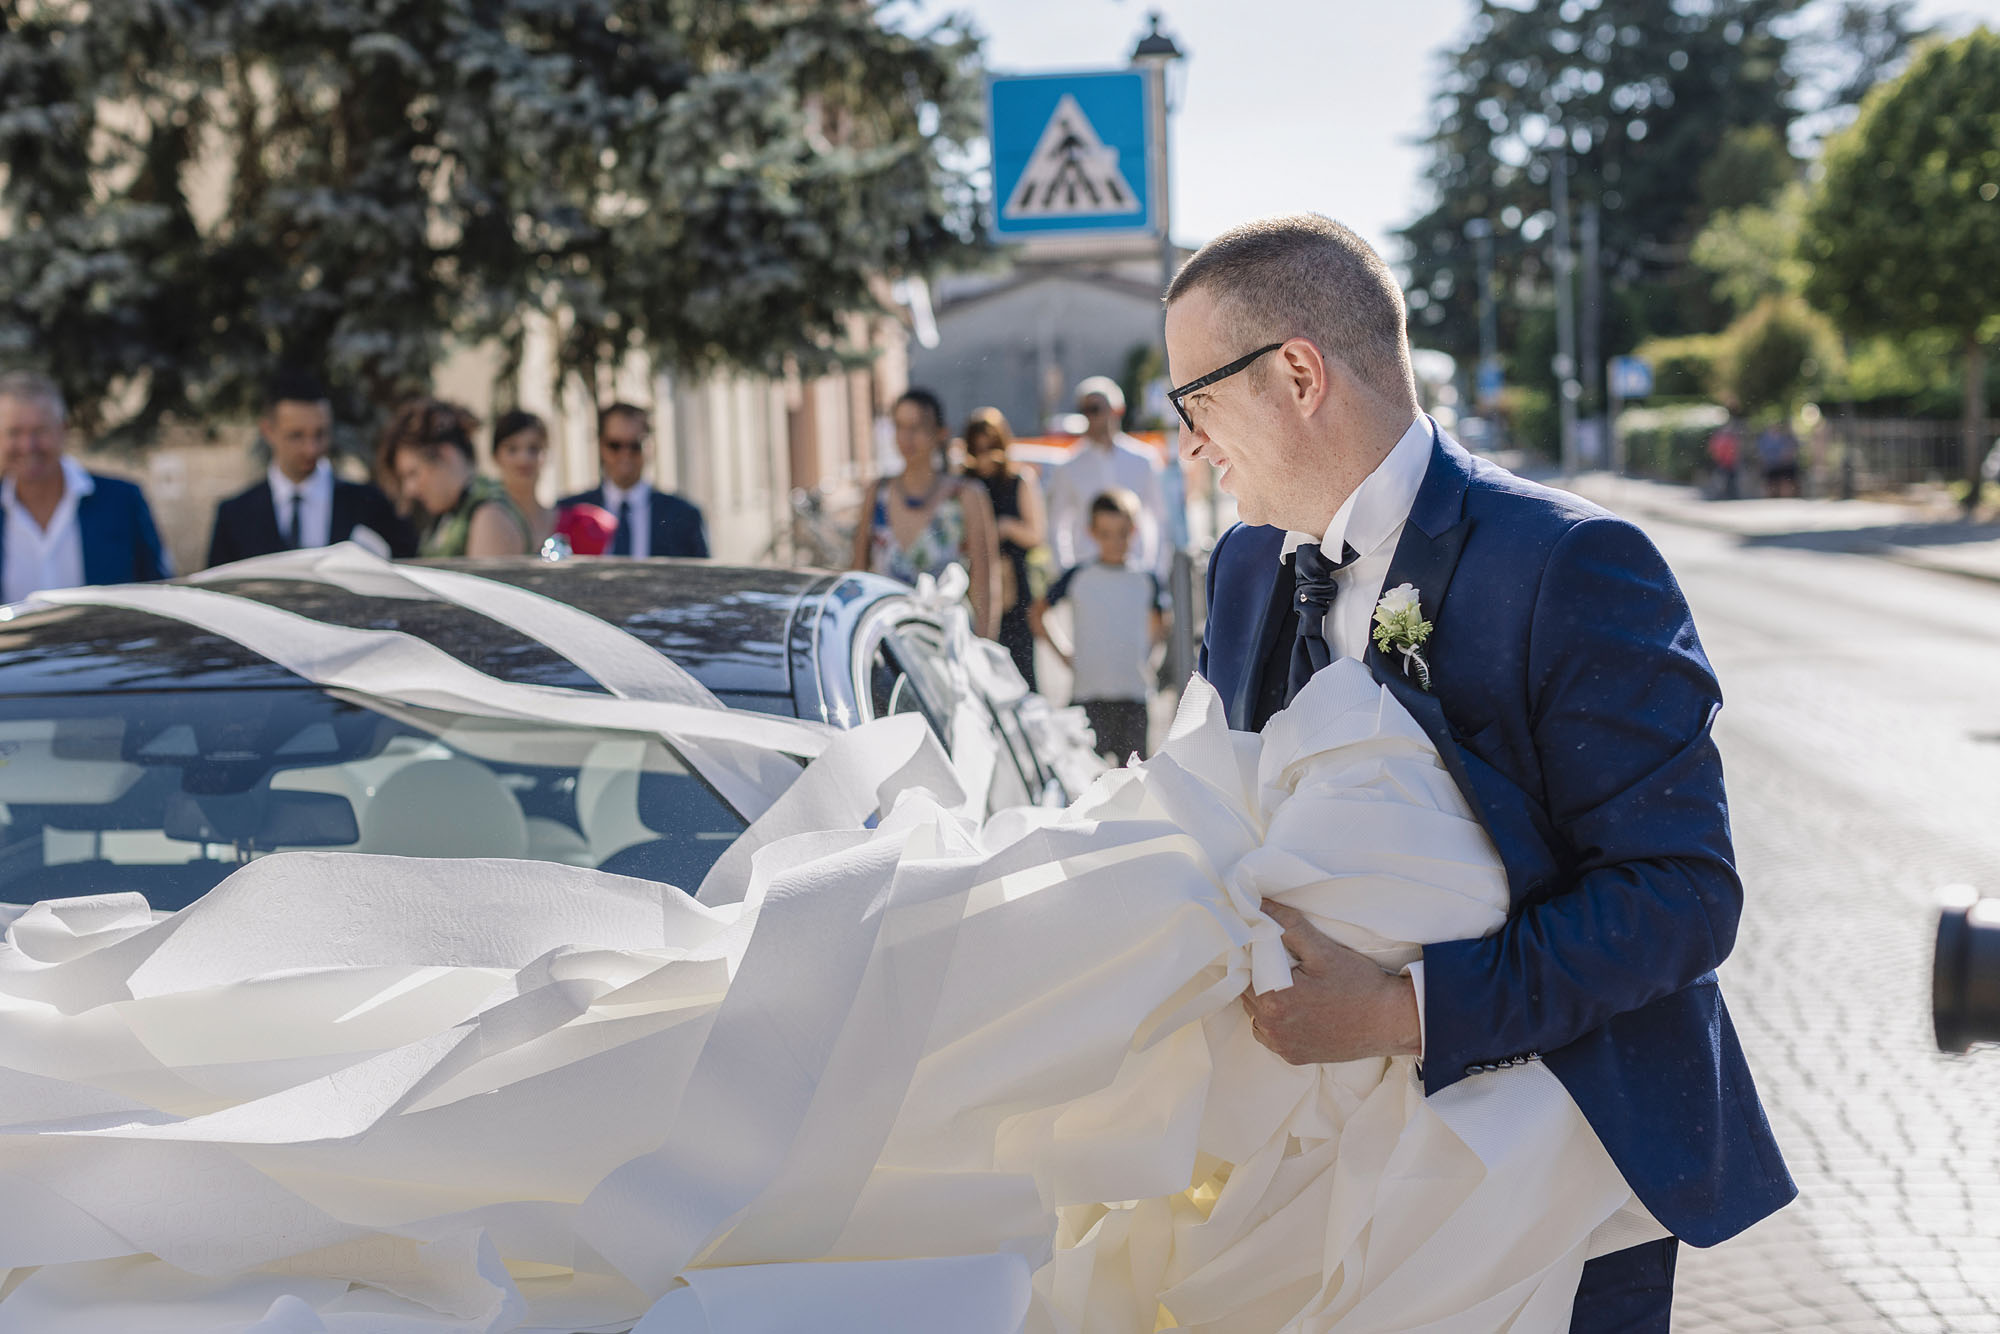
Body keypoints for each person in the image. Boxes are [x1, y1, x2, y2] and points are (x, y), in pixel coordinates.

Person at [1174, 213, 1793, 1332]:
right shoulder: (1237, 570)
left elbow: (1678, 897)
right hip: (1311, 1184)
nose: (1186, 444)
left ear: (1297, 374)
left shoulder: (1567, 562)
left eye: (1194, 402)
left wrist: (1400, 1012)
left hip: (1553, 1172)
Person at [206, 369, 414, 566]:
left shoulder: (371, 503)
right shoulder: (234, 516)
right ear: (268, 431)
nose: (311, 449)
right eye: (296, 435)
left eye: (320, 434)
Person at [0, 369, 169, 600]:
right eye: (14, 433)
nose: (28, 446)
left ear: (63, 430)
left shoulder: (122, 502)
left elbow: (159, 591)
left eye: (40, 431)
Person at [849, 388, 1001, 639]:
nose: (906, 437)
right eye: (899, 426)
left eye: (917, 427)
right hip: (886, 647)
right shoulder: (877, 493)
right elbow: (858, 577)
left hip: (948, 647)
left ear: (940, 433)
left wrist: (985, 648)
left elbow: (985, 582)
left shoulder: (965, 496)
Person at [1031, 488, 1165, 763]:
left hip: (1133, 697)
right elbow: (1037, 613)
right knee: (1085, 784)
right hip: (1087, 697)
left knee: (1137, 783)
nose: (1115, 541)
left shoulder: (1145, 579)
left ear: (1134, 530)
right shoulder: (1078, 577)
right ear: (1092, 532)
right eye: (1105, 533)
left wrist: (1147, 657)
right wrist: (1064, 654)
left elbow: (1161, 621)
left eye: (1122, 533)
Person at [1044, 376, 1169, 577]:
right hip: (1088, 576)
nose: (1090, 417)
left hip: (1135, 572)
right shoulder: (1068, 467)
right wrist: (1066, 577)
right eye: (1084, 410)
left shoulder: (1143, 460)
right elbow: (1056, 526)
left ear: (1117, 410)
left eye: (1095, 409)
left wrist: (1156, 572)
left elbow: (1159, 519)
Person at [377, 398, 530, 558]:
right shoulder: (453, 513)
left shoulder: (489, 516)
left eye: (413, 473)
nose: (410, 489)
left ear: (445, 453)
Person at [961, 406, 1046, 687]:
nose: (985, 455)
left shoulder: (1018, 480)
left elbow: (1036, 534)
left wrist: (1003, 528)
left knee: (1020, 674)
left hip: (1014, 592)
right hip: (975, 588)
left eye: (990, 447)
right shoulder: (966, 483)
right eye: (978, 448)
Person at [558, 404, 709, 558]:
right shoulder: (569, 512)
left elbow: (701, 578)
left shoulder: (683, 516)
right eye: (615, 445)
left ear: (650, 447)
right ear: (601, 446)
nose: (625, 455)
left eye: (635, 446)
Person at [490, 409, 558, 550]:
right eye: (512, 449)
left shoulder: (569, 523)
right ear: (496, 456)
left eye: (533, 449)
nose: (524, 459)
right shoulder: (483, 520)